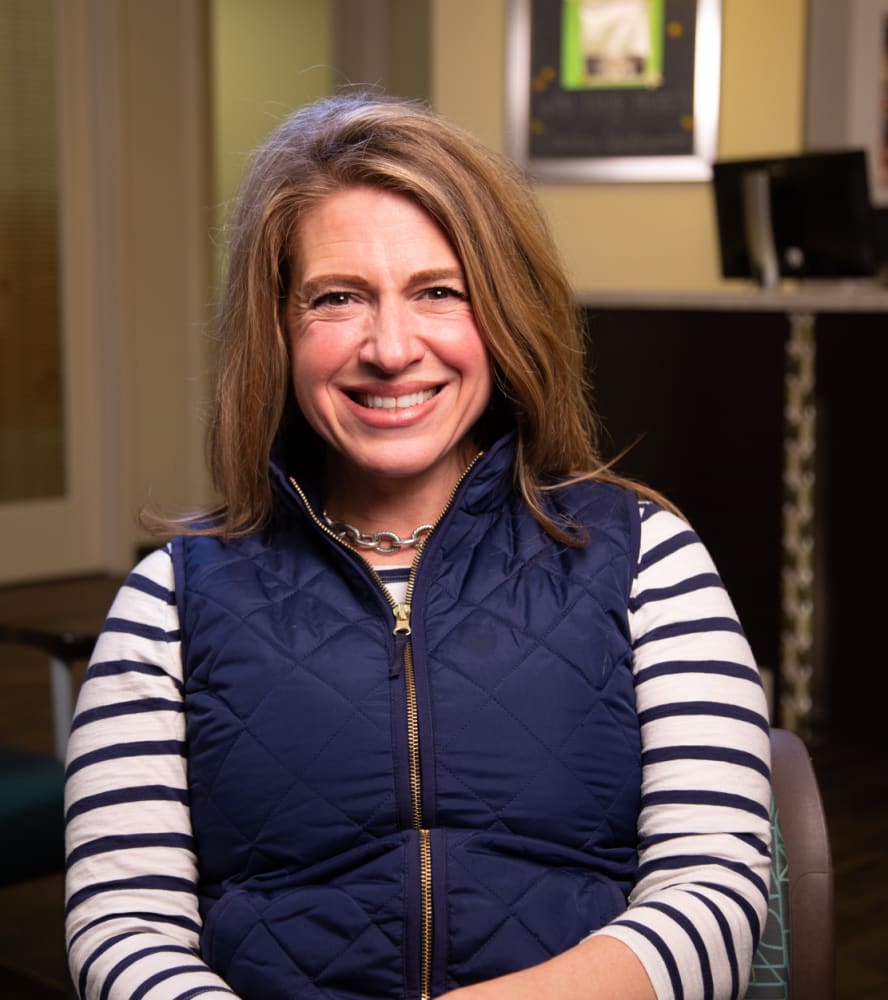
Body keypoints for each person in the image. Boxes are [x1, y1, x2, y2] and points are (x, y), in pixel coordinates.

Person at [64, 94, 771, 1000]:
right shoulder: (169, 599)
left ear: (505, 313)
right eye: (337, 298)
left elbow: (713, 894)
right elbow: (121, 932)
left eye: (440, 291)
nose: (391, 348)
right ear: (277, 327)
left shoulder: (647, 558)